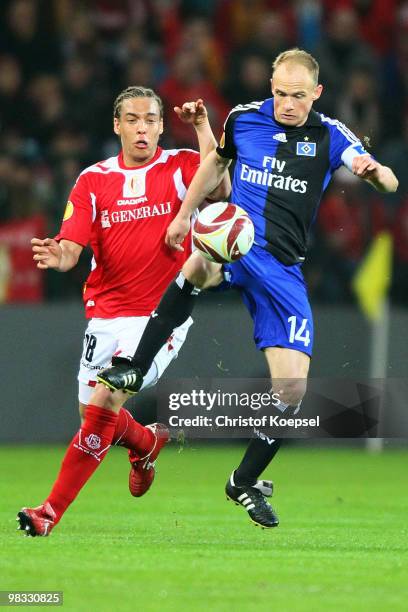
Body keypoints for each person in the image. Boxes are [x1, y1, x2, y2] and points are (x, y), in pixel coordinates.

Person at [98, 49, 398, 529]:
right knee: (198, 265)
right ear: (272, 87)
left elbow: (388, 178)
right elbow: (215, 166)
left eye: (298, 96)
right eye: (280, 93)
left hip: (282, 269)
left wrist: (374, 173)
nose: (287, 103)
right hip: (236, 241)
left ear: (316, 94)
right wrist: (182, 215)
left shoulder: (329, 134)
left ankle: (242, 481)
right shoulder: (242, 119)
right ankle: (134, 366)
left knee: (292, 389)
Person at [17, 86, 230, 537]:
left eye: (151, 119)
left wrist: (201, 127)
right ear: (117, 125)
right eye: (133, 119)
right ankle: (146, 441)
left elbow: (222, 183)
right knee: (93, 417)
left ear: (160, 124)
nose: (142, 128)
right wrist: (60, 255)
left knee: (104, 404)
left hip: (158, 319)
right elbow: (72, 246)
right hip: (105, 315)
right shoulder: (93, 179)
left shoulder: (180, 165)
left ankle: (49, 512)